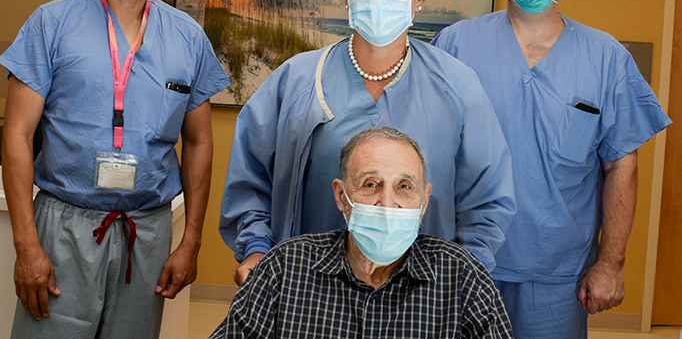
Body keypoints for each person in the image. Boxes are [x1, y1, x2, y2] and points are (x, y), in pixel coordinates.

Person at [220, 0, 516, 286]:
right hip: (309, 283)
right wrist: (255, 247)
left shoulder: (457, 85)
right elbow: (250, 176)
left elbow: (487, 196)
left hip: (424, 289)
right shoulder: (298, 79)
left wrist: (466, 271)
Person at [0, 0, 229, 337]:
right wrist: (26, 244)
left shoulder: (188, 37)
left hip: (148, 230)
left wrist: (191, 240)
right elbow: (17, 136)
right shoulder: (52, 23)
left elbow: (200, 141)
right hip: (64, 224)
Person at [432, 0, 671, 338]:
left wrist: (611, 263)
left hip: (558, 276)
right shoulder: (456, 44)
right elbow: (423, 151)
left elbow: (622, 165)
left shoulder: (605, 57)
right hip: (463, 261)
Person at [211, 127, 514, 338]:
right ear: (342, 197)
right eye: (371, 184)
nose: (387, 202)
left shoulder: (463, 276)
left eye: (404, 187)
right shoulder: (284, 267)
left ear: (423, 202)